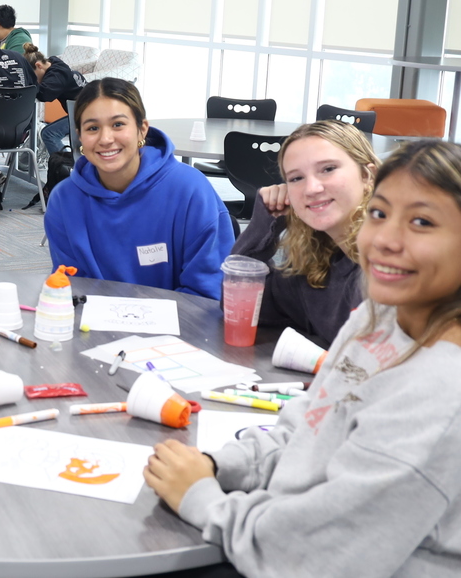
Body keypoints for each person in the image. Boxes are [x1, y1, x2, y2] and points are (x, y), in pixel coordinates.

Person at [144, 139, 461, 578]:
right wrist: (219, 466)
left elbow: (310, 556)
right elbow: (311, 425)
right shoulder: (379, 316)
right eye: (379, 213)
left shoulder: (440, 394)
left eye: (422, 222)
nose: (386, 239)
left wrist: (203, 497)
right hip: (284, 525)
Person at [44, 78, 233, 300]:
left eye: (118, 125)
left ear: (142, 129)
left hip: (181, 329)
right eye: (93, 128)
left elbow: (207, 292)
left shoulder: (190, 190)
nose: (105, 139)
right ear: (80, 136)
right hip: (95, 328)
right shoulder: (64, 200)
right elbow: (74, 289)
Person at [230, 120, 378, 346]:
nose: (311, 189)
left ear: (367, 176)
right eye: (296, 178)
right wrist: (265, 222)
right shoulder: (316, 264)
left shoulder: (392, 261)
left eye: (328, 169)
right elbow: (240, 309)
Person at [22, 42, 87, 155]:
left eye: (33, 75)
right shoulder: (55, 64)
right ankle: (68, 161)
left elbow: (44, 94)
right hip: (83, 111)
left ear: (38, 65)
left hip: (87, 114)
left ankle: (65, 165)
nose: (35, 79)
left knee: (49, 134)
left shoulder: (57, 75)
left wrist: (30, 83)